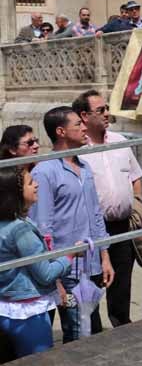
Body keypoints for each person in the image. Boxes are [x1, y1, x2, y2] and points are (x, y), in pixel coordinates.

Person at [32, 106, 114, 341]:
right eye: (78, 124)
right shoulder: (45, 172)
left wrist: (105, 256)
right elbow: (43, 228)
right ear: (61, 131)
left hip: (92, 263)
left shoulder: (85, 167)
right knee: (78, 333)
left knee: (92, 328)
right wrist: (55, 279)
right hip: (66, 269)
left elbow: (96, 214)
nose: (84, 128)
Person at [74, 90, 142, 328]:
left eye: (107, 108)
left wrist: (138, 207)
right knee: (92, 281)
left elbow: (135, 177)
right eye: (101, 110)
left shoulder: (119, 141)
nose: (107, 114)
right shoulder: (78, 150)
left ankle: (121, 324)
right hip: (92, 231)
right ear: (84, 116)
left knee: (122, 281)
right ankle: (91, 331)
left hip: (123, 226)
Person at [0, 166, 82, 359]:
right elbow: (45, 274)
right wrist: (70, 255)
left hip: (6, 307)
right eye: (30, 183)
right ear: (15, 194)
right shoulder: (20, 230)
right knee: (39, 365)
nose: (36, 185)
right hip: (28, 315)